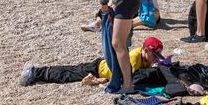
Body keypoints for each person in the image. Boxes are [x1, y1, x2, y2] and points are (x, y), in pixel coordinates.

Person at [21, 36, 164, 87]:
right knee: (68, 75)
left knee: (71, 70)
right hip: (98, 69)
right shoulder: (134, 58)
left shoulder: (143, 56)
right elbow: (129, 79)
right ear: (145, 50)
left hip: (101, 66)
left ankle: (37, 72)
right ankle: (35, 73)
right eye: (154, 55)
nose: (156, 58)